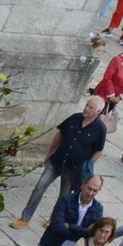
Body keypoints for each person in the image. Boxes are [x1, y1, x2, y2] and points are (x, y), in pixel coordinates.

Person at [11, 97, 107, 227]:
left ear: (99, 111)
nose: (86, 109)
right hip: (57, 160)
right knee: (39, 187)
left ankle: (53, 219)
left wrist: (88, 166)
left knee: (64, 197)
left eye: (91, 108)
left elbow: (98, 151)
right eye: (87, 105)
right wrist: (50, 152)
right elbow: (59, 134)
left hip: (74, 168)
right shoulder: (74, 118)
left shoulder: (100, 129)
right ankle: (25, 218)